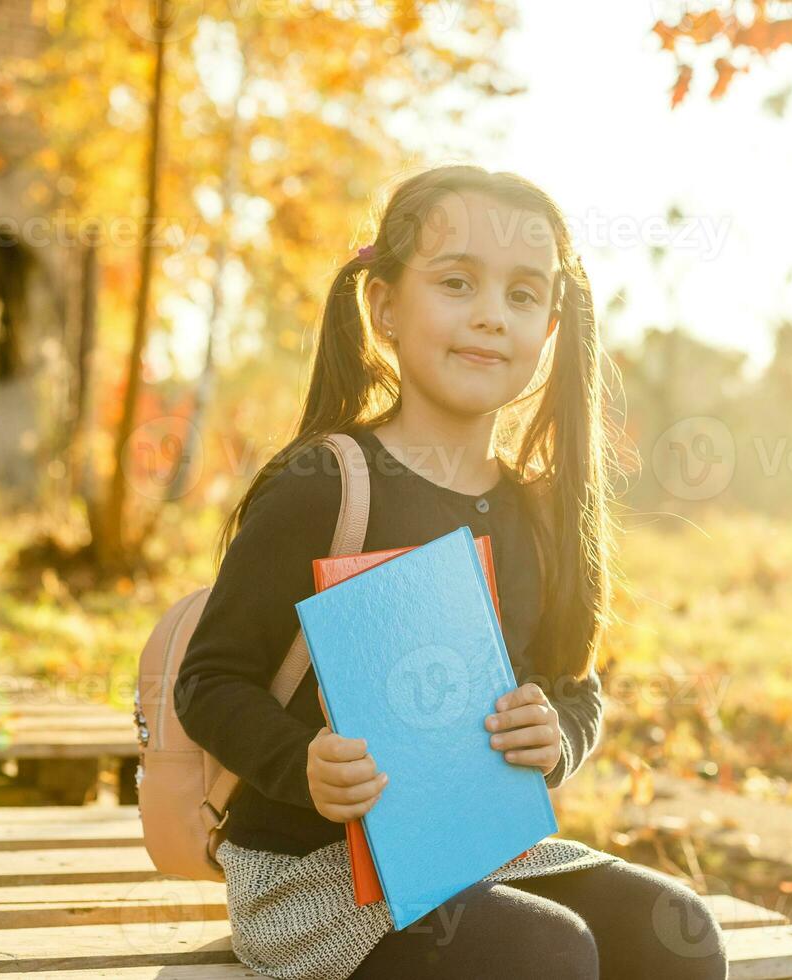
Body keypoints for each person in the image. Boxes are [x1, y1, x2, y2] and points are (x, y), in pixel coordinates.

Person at [176, 164, 727, 979]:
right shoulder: (324, 485)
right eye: (457, 282)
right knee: (544, 953)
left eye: (521, 295)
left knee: (674, 929)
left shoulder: (540, 512)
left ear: (550, 328)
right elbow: (209, 682)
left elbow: (575, 685)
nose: (490, 318)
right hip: (311, 875)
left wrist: (558, 737)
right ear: (385, 306)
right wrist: (303, 763)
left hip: (477, 856)